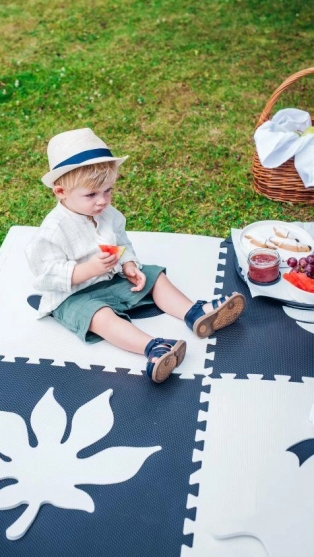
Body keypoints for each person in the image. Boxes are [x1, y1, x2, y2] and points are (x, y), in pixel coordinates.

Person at [25, 128, 246, 384]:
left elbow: (121, 241)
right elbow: (45, 275)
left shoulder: (108, 214)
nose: (102, 201)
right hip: (73, 295)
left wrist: (129, 263)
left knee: (155, 276)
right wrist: (88, 270)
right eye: (91, 195)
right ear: (61, 192)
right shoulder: (53, 230)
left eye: (108, 191)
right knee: (99, 317)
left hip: (110, 278)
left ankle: (195, 313)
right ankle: (155, 348)